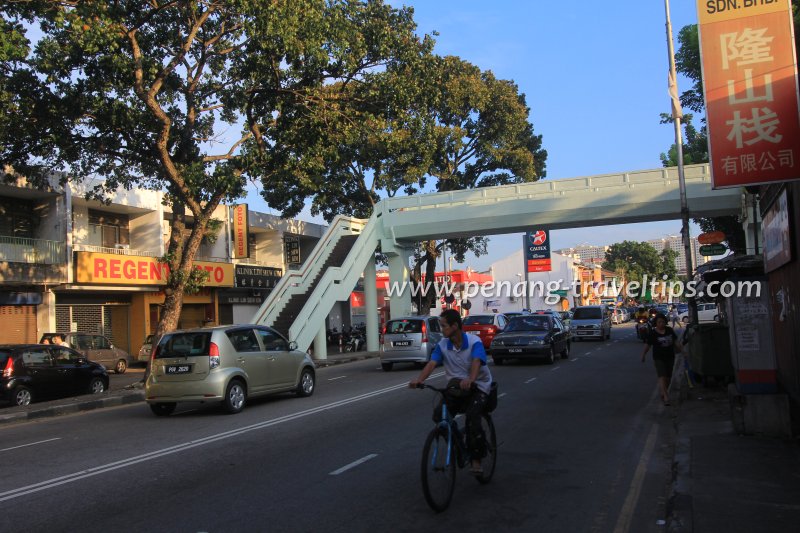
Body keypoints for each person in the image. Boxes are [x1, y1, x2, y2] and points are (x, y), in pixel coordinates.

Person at [409, 309, 493, 475]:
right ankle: (457, 442)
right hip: (456, 388)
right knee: (439, 415)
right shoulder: (443, 345)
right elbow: (432, 363)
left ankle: (476, 460)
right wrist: (420, 380)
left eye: (444, 326)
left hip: (478, 386)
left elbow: (477, 360)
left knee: (472, 417)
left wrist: (471, 379)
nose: (441, 329)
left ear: (455, 326)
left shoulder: (474, 341)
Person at [641, 313, 682, 406]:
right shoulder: (653, 333)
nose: (661, 324)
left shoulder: (669, 331)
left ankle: (663, 392)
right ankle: (666, 396)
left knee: (668, 377)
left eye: (663, 322)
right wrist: (643, 355)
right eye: (659, 322)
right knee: (661, 376)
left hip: (670, 357)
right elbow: (648, 345)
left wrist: (683, 351)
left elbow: (676, 342)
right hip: (658, 358)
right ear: (656, 323)